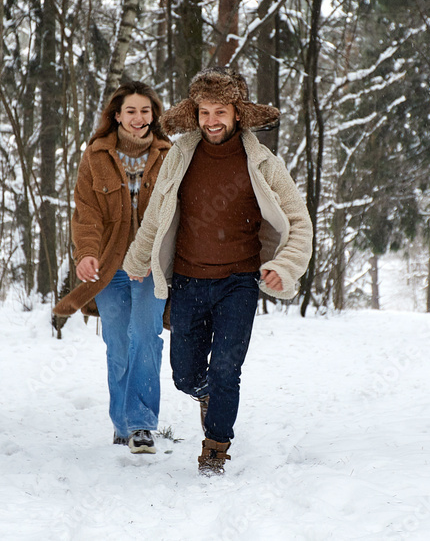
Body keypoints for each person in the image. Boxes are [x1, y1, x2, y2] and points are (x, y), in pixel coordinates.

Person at [123, 67, 313, 475]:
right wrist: (138, 262)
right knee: (185, 375)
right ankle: (206, 394)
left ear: (238, 113)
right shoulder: (181, 154)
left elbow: (298, 220)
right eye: (205, 112)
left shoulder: (263, 162)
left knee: (228, 368)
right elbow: (157, 214)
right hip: (189, 281)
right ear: (195, 114)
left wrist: (283, 266)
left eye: (221, 111)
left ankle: (216, 448)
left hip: (239, 283)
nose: (212, 121)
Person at [52, 81, 171, 454]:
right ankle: (122, 423)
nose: (139, 118)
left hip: (151, 265)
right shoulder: (96, 156)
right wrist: (86, 253)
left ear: (154, 116)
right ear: (116, 115)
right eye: (131, 111)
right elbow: (85, 213)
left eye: (145, 111)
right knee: (118, 345)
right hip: (109, 269)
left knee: (146, 338)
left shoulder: (169, 155)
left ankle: (141, 425)